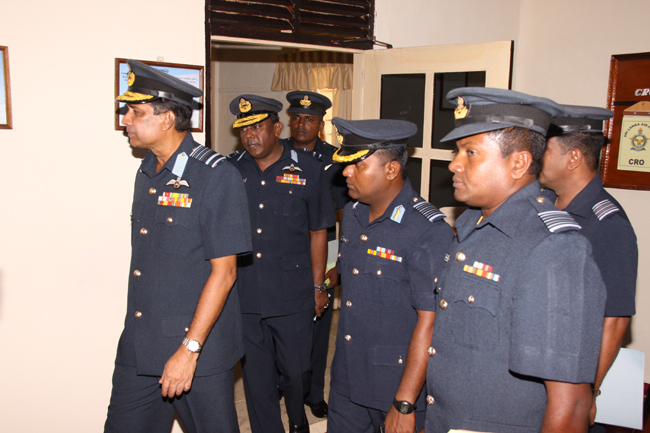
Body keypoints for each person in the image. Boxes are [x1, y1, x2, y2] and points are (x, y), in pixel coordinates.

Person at [425, 87, 607, 433]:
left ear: (519, 163)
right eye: (457, 151)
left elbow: (570, 405)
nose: (454, 164)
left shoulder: (553, 248)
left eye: (470, 152)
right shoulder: (473, 226)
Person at [104, 60, 252, 433]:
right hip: (141, 343)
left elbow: (225, 273)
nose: (126, 120)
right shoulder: (148, 171)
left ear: (167, 118)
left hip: (196, 350)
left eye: (136, 112)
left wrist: (189, 350)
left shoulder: (216, 176)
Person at [325, 118, 455, 433]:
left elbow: (430, 323)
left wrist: (405, 401)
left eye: (358, 165)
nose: (346, 172)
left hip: (395, 385)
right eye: (346, 164)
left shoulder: (427, 230)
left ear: (391, 169)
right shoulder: (354, 213)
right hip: (347, 378)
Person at [227, 95, 336, 433]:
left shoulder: (310, 170)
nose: (250, 136)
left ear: (276, 128)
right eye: (244, 130)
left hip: (292, 292)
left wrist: (318, 286)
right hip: (246, 291)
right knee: (257, 375)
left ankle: (297, 418)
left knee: (296, 369)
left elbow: (318, 231)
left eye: (257, 127)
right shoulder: (231, 170)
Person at [539, 105, 638, 433]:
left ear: (573, 159)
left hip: (571, 378)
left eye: (545, 150)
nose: (535, 157)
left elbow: (615, 320)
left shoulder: (608, 225)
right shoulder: (539, 204)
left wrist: (588, 391)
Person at [284, 91, 350, 419]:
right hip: (284, 252)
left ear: (320, 124)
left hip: (324, 249)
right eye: (296, 118)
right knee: (283, 325)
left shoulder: (333, 160)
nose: (301, 124)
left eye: (309, 119)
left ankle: (313, 392)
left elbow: (342, 214)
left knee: (319, 326)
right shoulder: (276, 151)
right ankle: (285, 383)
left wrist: (340, 262)